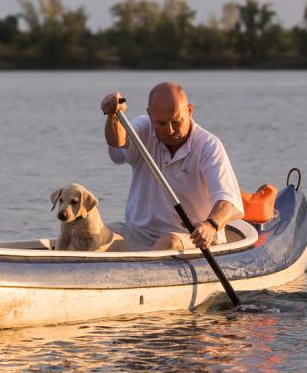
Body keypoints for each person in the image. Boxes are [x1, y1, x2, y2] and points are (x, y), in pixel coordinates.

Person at [101, 82, 244, 251]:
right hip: (140, 233)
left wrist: (210, 225)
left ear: (189, 110)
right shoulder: (143, 128)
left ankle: (139, 272)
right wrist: (114, 116)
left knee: (169, 242)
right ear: (150, 115)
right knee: (93, 234)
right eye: (161, 123)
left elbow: (228, 201)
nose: (169, 130)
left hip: (193, 238)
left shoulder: (208, 146)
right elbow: (118, 141)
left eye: (176, 122)